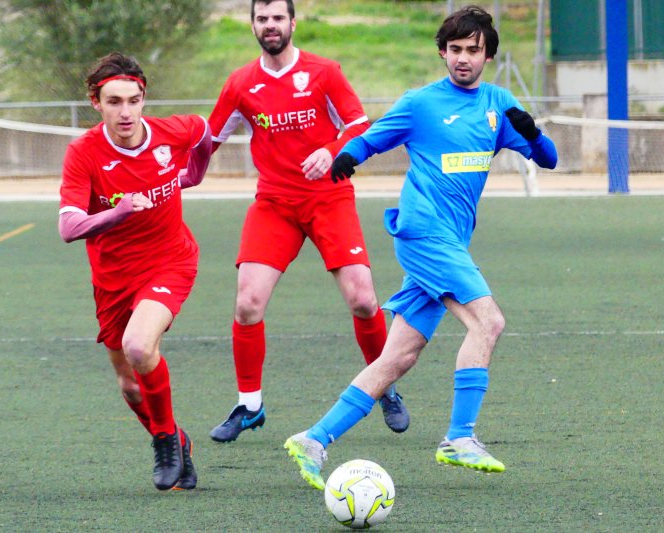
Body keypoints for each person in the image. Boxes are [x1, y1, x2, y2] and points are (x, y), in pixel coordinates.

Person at [284, 5, 558, 489]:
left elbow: (549, 159)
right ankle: (459, 437)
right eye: (454, 50)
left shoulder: (498, 104)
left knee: (399, 358)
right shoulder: (421, 102)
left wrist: (532, 131)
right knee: (488, 320)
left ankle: (314, 438)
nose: (463, 59)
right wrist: (346, 157)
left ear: (488, 55)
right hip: (422, 232)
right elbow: (371, 139)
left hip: (450, 242)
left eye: (473, 50)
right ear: (442, 52)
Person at [206, 0, 410, 443]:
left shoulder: (324, 72)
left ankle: (386, 386)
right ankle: (250, 405)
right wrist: (171, 167)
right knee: (247, 303)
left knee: (362, 299)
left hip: (329, 198)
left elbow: (360, 125)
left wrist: (332, 147)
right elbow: (208, 140)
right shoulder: (241, 83)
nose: (270, 25)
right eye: (262, 19)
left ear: (293, 23)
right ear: (253, 25)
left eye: (278, 18)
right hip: (275, 204)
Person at [58, 52, 212, 491]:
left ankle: (164, 441)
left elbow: (204, 132)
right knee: (129, 385)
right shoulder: (84, 153)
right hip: (112, 278)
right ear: (96, 103)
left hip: (170, 259)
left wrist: (192, 175)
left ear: (144, 98)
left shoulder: (170, 133)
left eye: (134, 100)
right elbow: (69, 227)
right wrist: (118, 212)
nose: (125, 111)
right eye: (114, 102)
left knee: (140, 348)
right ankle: (178, 439)